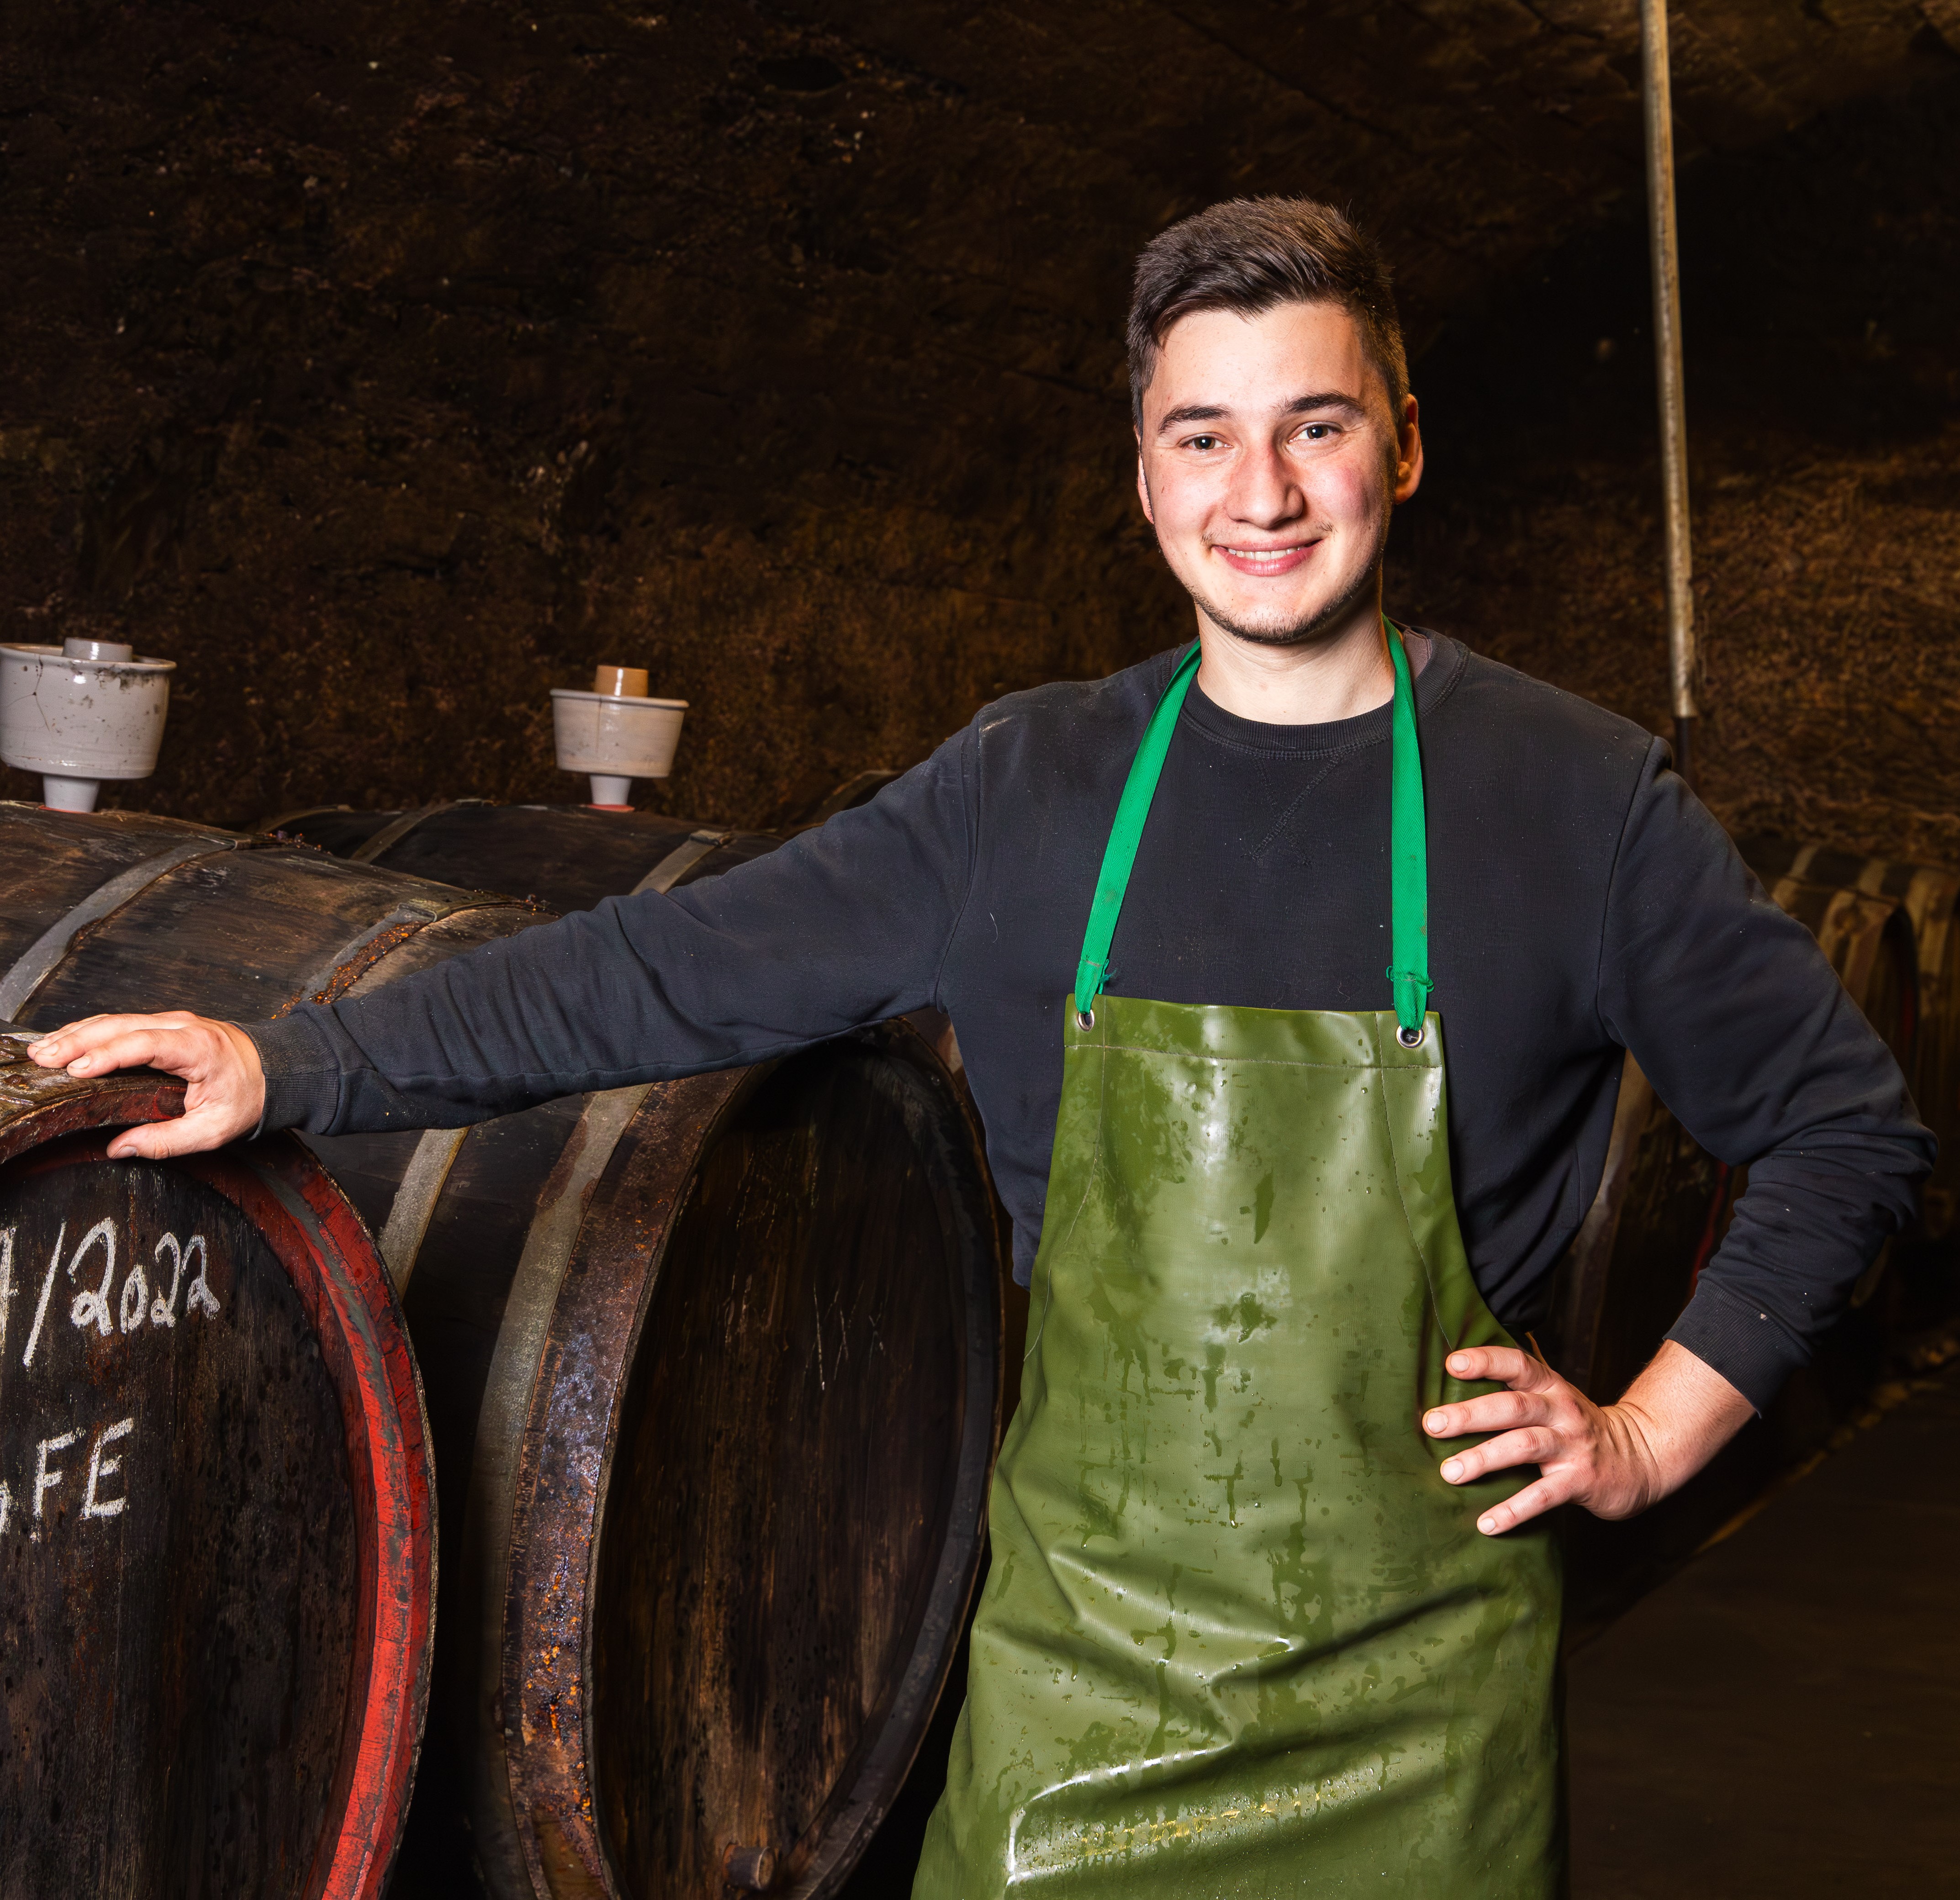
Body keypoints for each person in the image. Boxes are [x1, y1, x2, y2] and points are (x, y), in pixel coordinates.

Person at [31, 198, 1928, 1897]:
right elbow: (644, 971)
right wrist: (294, 1060)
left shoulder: (1570, 797)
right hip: (1083, 1684)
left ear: (1402, 448)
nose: (1257, 489)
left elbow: (1841, 1125)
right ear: (1140, 473)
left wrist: (1641, 1433)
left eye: (1314, 423)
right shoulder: (1028, 787)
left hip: (1419, 1706)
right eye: (1203, 434)